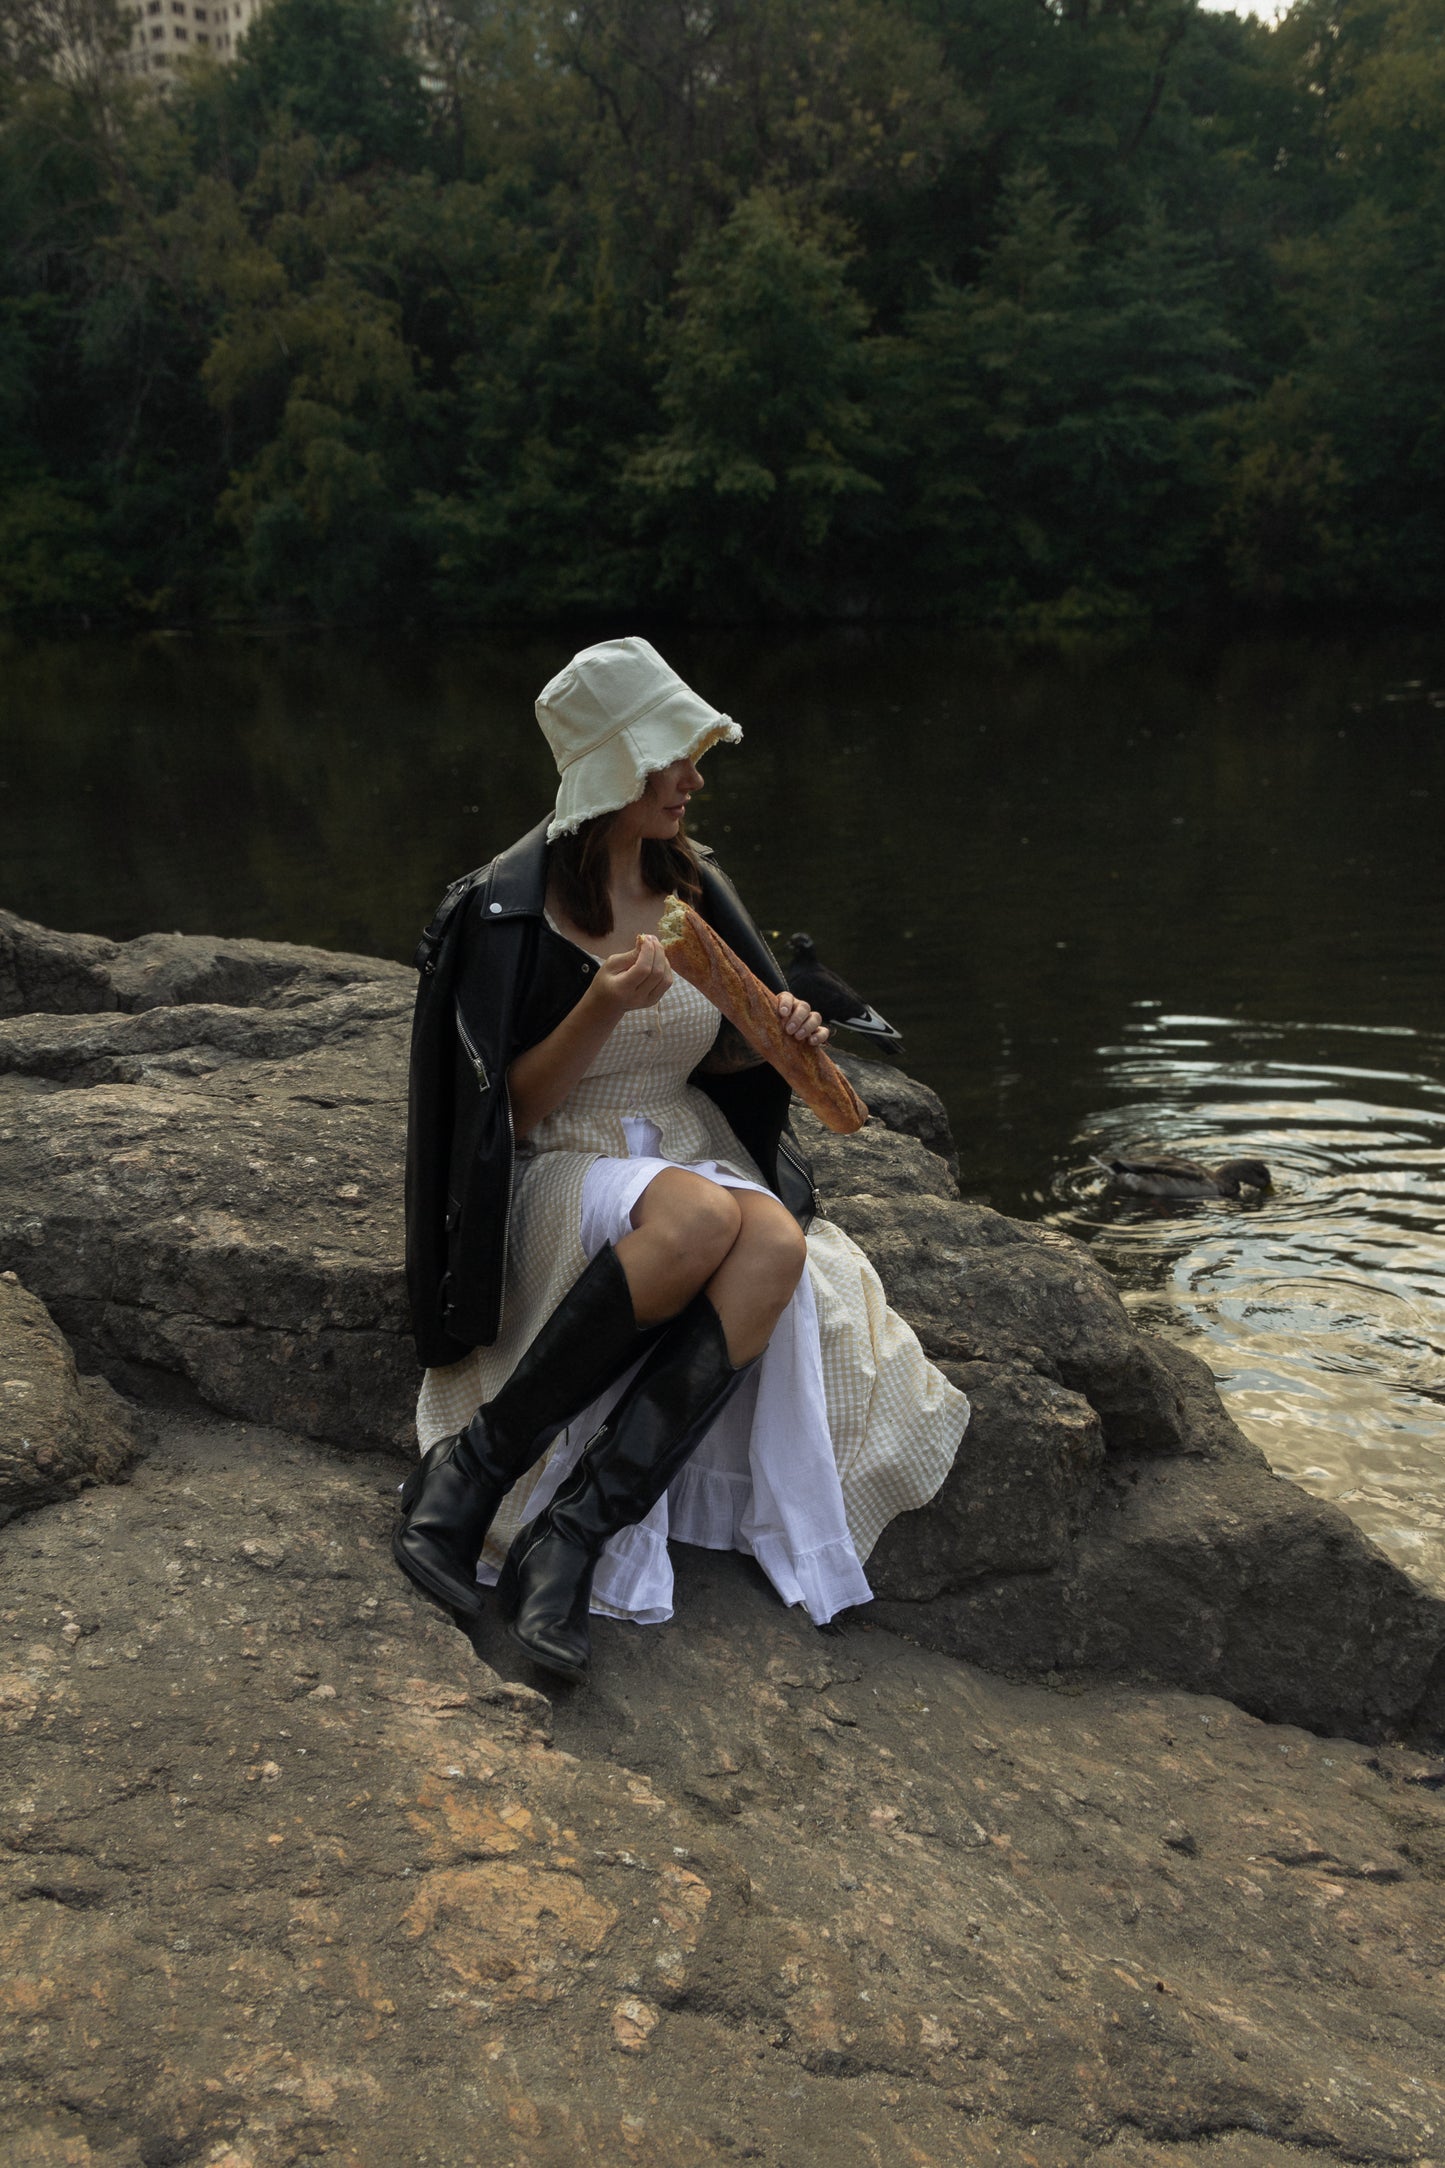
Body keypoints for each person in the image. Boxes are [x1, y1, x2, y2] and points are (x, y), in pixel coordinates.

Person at [399, 637, 968, 1680]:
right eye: (675, 757)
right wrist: (598, 1004)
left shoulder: (694, 885)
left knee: (772, 1242)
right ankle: (473, 1469)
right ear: (617, 763)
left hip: (681, 1143)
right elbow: (507, 1115)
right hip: (563, 1159)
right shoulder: (508, 908)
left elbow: (718, 1055)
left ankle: (566, 1537)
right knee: (705, 1218)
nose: (694, 779)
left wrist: (769, 1031)